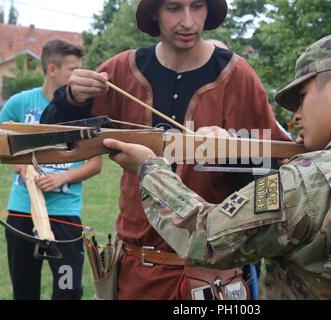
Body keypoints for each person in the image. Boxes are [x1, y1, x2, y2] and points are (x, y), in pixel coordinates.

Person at [103, 31, 331, 299]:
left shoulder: (310, 180)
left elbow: (205, 237)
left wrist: (150, 168)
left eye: (303, 97)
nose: (296, 115)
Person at [40, 0, 290, 300]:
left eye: (197, 6)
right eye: (174, 8)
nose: (187, 21)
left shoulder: (237, 75)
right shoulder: (122, 70)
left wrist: (232, 148)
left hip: (213, 278)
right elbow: (51, 140)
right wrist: (71, 98)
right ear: (154, 13)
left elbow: (274, 181)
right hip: (136, 272)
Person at [0, 39, 102, 300]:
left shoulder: (84, 110)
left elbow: (95, 164)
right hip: (22, 212)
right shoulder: (20, 103)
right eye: (73, 70)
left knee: (68, 289)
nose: (79, 76)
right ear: (52, 69)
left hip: (64, 216)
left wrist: (62, 177)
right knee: (25, 290)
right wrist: (20, 164)